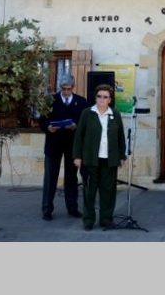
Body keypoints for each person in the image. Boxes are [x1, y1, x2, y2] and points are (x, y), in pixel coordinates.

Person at [72, 84, 126, 230]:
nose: (101, 99)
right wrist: (77, 156)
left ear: (110, 99)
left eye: (105, 97)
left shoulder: (115, 114)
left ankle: (106, 219)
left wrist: (122, 156)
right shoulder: (87, 113)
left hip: (109, 160)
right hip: (90, 159)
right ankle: (88, 220)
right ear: (95, 97)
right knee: (89, 191)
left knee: (108, 192)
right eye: (99, 96)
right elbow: (78, 137)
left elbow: (121, 137)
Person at [38, 75, 88, 221]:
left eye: (69, 89)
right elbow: (42, 120)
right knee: (50, 177)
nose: (66, 92)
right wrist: (48, 127)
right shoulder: (50, 100)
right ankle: (47, 209)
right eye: (64, 89)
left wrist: (75, 125)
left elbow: (83, 122)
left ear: (73, 87)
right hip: (53, 143)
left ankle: (72, 207)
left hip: (72, 144)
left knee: (71, 177)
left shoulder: (81, 101)